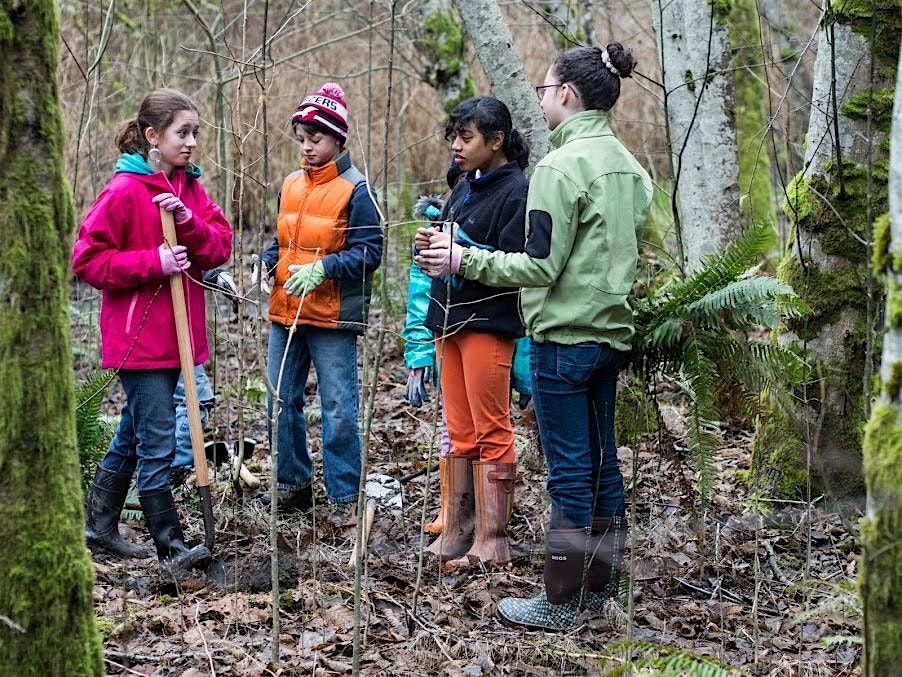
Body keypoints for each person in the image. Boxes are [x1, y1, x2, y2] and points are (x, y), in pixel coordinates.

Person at [416, 43, 652, 629]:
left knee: (571, 468)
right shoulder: (629, 165)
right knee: (603, 462)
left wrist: (463, 262)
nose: (542, 100)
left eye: (545, 90)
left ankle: (562, 598)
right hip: (610, 338)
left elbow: (539, 265)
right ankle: (601, 588)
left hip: (565, 338)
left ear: (567, 95)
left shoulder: (557, 168)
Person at [72, 88, 233, 578]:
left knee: (133, 434)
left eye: (195, 133)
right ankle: (171, 547)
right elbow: (87, 259)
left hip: (178, 338)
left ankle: (99, 526)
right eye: (181, 133)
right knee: (157, 441)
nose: (191, 142)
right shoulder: (123, 191)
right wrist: (152, 263)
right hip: (139, 340)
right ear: (151, 136)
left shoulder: (188, 188)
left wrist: (187, 224)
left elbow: (220, 245)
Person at [260, 83, 382, 522]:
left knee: (337, 407)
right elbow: (282, 241)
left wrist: (325, 269)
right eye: (302, 139)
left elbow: (371, 252)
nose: (307, 148)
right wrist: (267, 262)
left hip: (332, 317)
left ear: (338, 140)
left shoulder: (357, 190)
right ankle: (292, 482)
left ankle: (345, 496)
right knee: (279, 400)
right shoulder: (291, 184)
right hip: (285, 311)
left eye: (316, 140)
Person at [417, 96, 530, 567]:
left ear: (496, 140)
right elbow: (449, 246)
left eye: (466, 138)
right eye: (454, 138)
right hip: (448, 319)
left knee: (491, 428)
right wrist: (431, 246)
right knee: (458, 429)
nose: (457, 148)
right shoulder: (463, 184)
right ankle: (459, 530)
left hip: (488, 323)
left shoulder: (517, 191)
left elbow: (515, 263)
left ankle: (493, 539)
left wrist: (462, 249)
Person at [171, 267, 238, 483]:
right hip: (162, 325)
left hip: (179, 324)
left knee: (144, 413)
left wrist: (210, 271)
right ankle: (175, 472)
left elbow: (191, 242)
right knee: (195, 397)